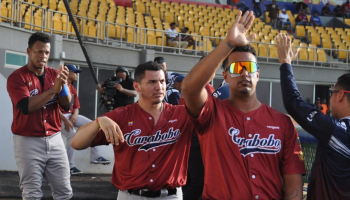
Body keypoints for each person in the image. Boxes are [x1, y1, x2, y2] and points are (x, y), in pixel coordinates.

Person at [181, 11, 305, 200]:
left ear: (258, 74)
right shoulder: (211, 113)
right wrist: (228, 44)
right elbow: (189, 88)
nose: (245, 73)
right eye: (237, 68)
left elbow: (292, 181)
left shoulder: (282, 123)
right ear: (225, 76)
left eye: (251, 68)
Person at [71, 61, 196, 200]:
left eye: (162, 81)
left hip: (170, 195)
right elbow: (76, 143)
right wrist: (98, 121)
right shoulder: (120, 115)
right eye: (152, 82)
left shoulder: (181, 114)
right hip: (130, 195)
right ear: (137, 86)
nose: (159, 87)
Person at [277, 32, 350, 200]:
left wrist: (285, 64)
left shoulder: (336, 130)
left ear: (340, 95)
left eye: (332, 92)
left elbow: (293, 102)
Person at [6, 32, 73, 199]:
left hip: (55, 139)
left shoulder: (54, 74)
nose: (43, 56)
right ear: (29, 52)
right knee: (32, 193)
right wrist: (53, 90)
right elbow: (26, 107)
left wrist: (63, 87)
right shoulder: (17, 77)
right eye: (39, 51)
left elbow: (67, 105)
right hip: (28, 141)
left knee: (64, 191)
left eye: (47, 52)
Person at [60, 64, 111, 176]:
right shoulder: (59, 86)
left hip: (70, 116)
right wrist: (66, 120)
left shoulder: (72, 88)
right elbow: (53, 108)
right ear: (67, 73)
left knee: (95, 125)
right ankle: (69, 166)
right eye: (75, 72)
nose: (77, 74)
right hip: (58, 118)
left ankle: (95, 156)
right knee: (72, 135)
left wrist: (74, 115)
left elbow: (77, 106)